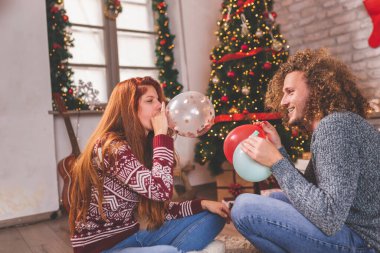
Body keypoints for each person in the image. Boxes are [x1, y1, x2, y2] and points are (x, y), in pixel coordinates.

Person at [231, 48, 380, 253]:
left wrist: (277, 162)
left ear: (316, 90)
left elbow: (328, 217)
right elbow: (313, 192)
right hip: (352, 227)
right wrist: (280, 151)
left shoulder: (334, 127)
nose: (283, 102)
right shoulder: (335, 124)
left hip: (365, 242)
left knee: (245, 208)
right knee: (275, 199)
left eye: (290, 92)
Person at [69, 77, 229, 253]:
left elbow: (159, 206)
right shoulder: (110, 147)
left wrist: (203, 204)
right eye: (150, 101)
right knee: (167, 252)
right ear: (128, 108)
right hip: (102, 249)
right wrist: (161, 135)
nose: (160, 106)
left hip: (133, 239)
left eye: (159, 100)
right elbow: (161, 190)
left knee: (214, 216)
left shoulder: (140, 147)